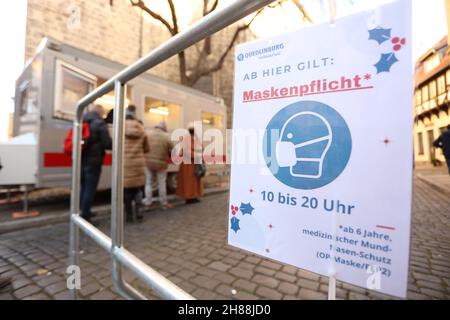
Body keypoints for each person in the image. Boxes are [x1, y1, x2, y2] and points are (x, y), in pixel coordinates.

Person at [80, 104, 112, 223]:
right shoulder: (99, 123)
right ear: (100, 113)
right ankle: (85, 216)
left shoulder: (83, 121)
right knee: (90, 189)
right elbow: (107, 143)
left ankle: (84, 211)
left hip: (82, 160)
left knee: (83, 187)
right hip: (94, 161)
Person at [124, 106, 150, 222]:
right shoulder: (140, 127)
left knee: (127, 190)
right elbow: (147, 148)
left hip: (125, 163)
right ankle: (139, 211)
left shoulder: (120, 126)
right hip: (139, 162)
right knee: (138, 189)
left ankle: (129, 214)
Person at [144, 122, 174, 209]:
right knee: (161, 183)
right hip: (161, 164)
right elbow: (172, 151)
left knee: (148, 183)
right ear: (164, 128)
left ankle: (148, 203)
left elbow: (144, 147)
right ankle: (164, 203)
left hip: (148, 163)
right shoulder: (167, 136)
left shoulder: (148, 134)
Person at [175, 125, 204, 204]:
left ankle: (194, 196)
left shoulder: (193, 139)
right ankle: (189, 197)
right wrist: (198, 156)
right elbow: (187, 152)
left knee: (193, 181)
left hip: (191, 164)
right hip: (189, 164)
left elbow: (201, 148)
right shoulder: (188, 140)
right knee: (190, 181)